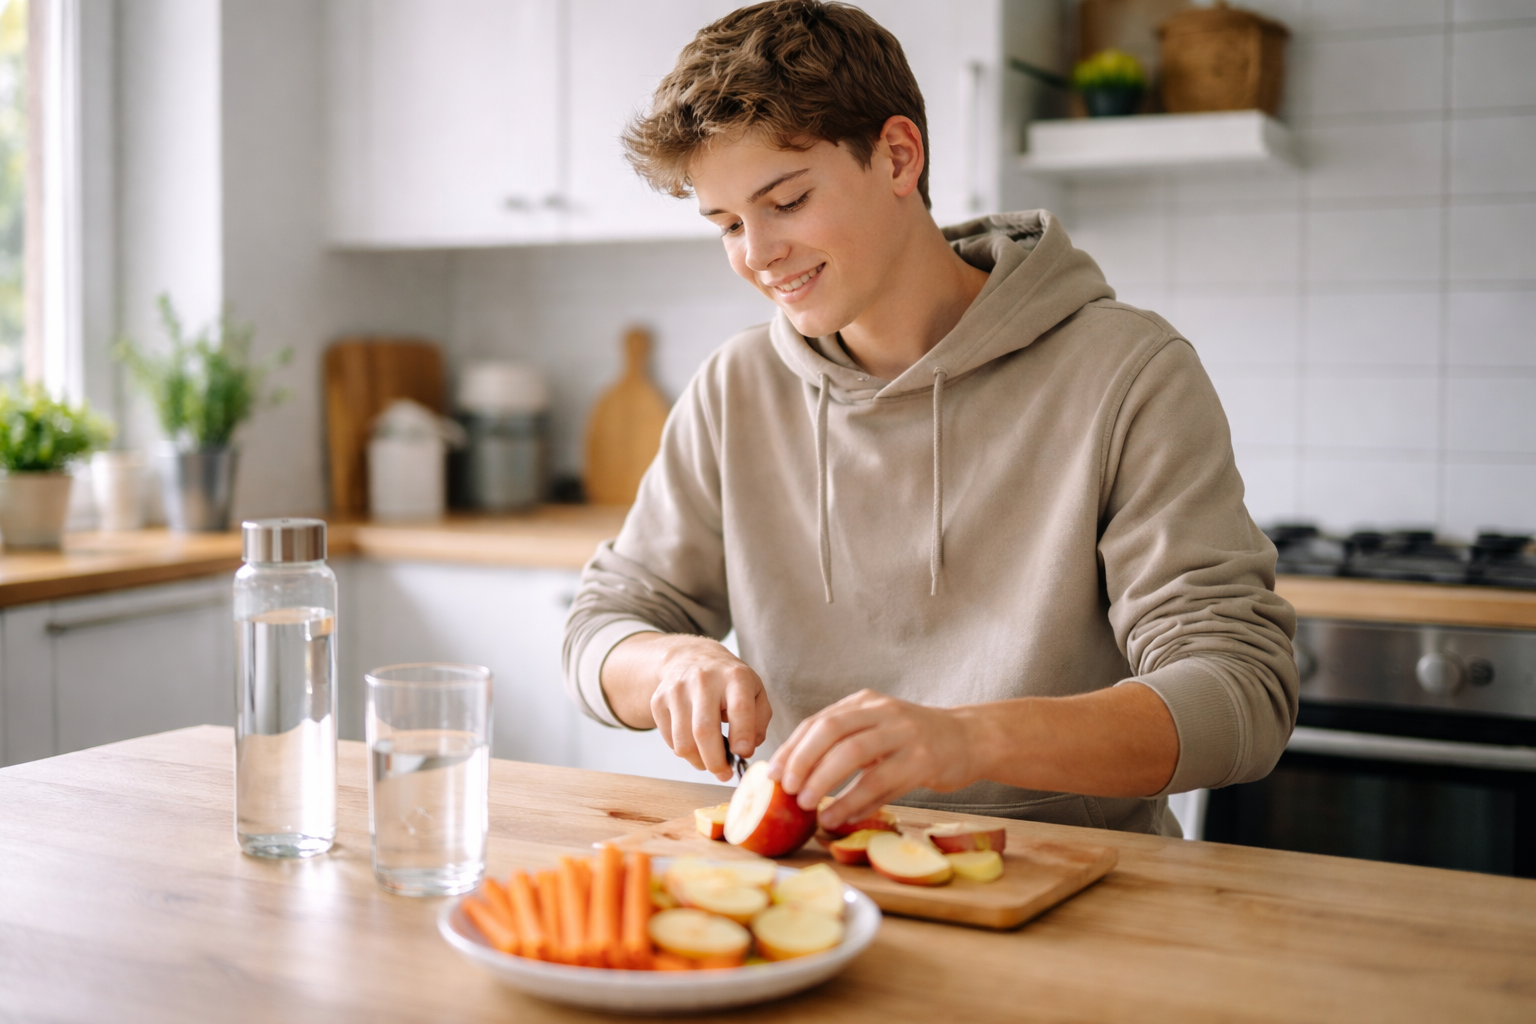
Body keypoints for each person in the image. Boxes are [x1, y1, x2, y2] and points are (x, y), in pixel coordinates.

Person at [562, 0, 1297, 836]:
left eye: (788, 201)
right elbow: (599, 627)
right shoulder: (738, 387)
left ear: (898, 156)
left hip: (1074, 900)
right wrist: (670, 662)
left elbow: (1241, 693)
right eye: (727, 224)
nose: (758, 254)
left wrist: (968, 740)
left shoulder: (1127, 373)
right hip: (815, 894)